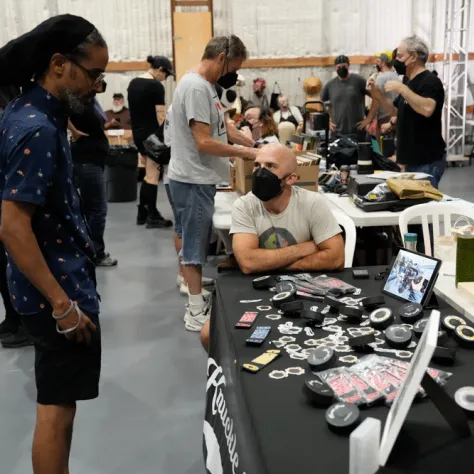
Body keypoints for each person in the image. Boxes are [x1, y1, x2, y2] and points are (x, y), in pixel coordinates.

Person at [0, 14, 106, 474]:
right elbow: (13, 227)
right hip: (56, 296)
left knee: (58, 405)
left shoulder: (27, 112)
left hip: (50, 287)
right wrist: (63, 306)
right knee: (57, 414)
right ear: (59, 64)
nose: (97, 87)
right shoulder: (38, 128)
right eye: (93, 75)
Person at [200, 143, 344, 350]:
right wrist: (306, 248)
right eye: (257, 165)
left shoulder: (312, 203)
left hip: (306, 287)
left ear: (291, 178)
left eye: (270, 166)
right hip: (257, 285)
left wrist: (270, 263)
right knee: (208, 334)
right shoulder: (245, 205)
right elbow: (248, 263)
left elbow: (336, 257)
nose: (260, 172)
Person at [168, 35, 258, 332]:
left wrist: (246, 139)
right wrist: (245, 152)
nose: (234, 74)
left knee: (187, 236)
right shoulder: (195, 87)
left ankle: (193, 291)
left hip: (194, 178)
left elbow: (221, 125)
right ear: (221, 58)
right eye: (234, 67)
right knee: (194, 246)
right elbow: (204, 142)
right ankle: (195, 311)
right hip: (193, 179)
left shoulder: (206, 86)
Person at [369, 35, 446, 188]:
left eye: (400, 56)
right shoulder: (407, 81)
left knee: (423, 204)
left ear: (414, 56)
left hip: (427, 160)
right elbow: (394, 110)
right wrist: (378, 95)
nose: (396, 60)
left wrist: (403, 90)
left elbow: (427, 109)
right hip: (411, 161)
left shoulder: (430, 82)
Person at [163, 104, 213, 297]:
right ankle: (186, 277)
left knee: (184, 227)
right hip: (181, 175)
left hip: (178, 173)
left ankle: (187, 275)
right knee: (184, 228)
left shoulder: (178, 107)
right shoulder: (188, 107)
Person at [69, 84, 118, 267]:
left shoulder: (91, 101)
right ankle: (96, 253)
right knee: (97, 209)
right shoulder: (79, 99)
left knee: (90, 209)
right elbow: (59, 111)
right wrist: (73, 131)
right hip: (86, 160)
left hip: (92, 159)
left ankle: (89, 250)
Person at [128, 55, 174, 228]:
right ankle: (152, 215)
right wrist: (167, 138)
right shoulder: (155, 86)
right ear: (160, 69)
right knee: (153, 175)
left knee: (148, 174)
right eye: (166, 74)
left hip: (138, 135)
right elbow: (160, 116)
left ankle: (142, 213)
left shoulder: (133, 84)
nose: (166, 78)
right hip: (152, 136)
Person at [320, 55, 368, 141]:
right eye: (339, 67)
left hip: (357, 131)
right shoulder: (330, 85)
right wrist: (327, 121)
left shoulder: (358, 81)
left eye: (344, 66)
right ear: (335, 68)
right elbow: (320, 103)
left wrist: (368, 119)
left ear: (348, 66)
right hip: (337, 132)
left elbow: (376, 97)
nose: (341, 68)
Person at [358, 51, 400, 138]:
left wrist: (368, 119)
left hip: (384, 118)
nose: (377, 63)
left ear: (383, 63)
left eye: (378, 60)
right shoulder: (396, 76)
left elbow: (376, 100)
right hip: (395, 117)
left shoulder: (381, 77)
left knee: (381, 148)